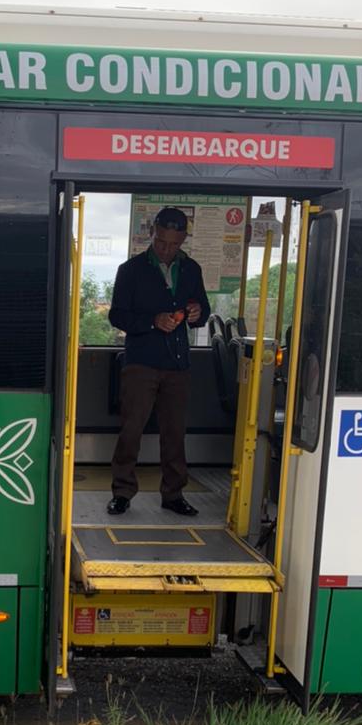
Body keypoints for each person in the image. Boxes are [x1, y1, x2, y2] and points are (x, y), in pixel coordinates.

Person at [107, 206, 211, 516]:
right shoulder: (131, 270)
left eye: (175, 243)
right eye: (163, 241)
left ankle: (173, 494)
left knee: (175, 432)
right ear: (153, 233)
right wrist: (153, 320)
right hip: (141, 363)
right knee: (131, 430)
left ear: (183, 240)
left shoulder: (191, 270)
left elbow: (202, 311)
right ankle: (122, 492)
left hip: (178, 365)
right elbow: (117, 315)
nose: (168, 249)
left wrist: (195, 313)